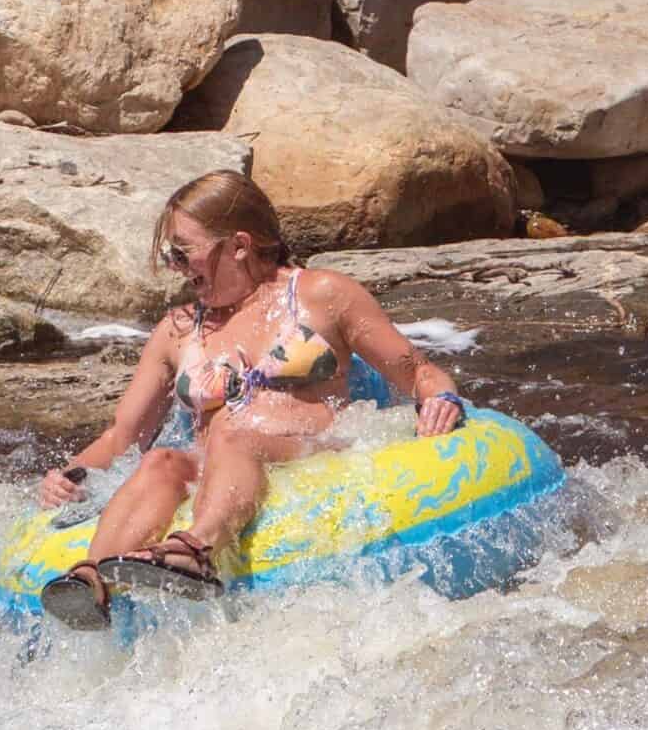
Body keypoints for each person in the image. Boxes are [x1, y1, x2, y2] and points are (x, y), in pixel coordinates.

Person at [37, 170, 466, 626]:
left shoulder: (323, 295)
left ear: (239, 245)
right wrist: (69, 477)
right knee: (162, 460)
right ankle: (90, 579)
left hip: (311, 454)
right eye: (170, 254)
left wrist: (441, 399)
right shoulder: (178, 330)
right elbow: (124, 434)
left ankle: (197, 549)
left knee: (238, 433)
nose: (175, 268)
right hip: (220, 465)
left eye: (183, 252)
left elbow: (417, 371)